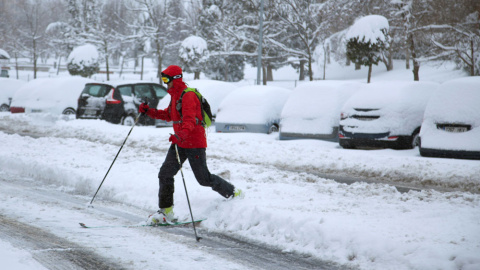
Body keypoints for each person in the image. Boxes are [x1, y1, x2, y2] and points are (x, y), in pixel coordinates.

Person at [139, 65, 243, 224]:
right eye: (163, 79)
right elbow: (168, 115)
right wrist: (148, 111)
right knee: (165, 173)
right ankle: (166, 212)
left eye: (167, 79)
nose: (165, 82)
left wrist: (181, 134)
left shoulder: (188, 96)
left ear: (176, 79)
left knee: (203, 179)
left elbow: (190, 120)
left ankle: (233, 193)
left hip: (194, 143)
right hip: (180, 143)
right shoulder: (175, 96)